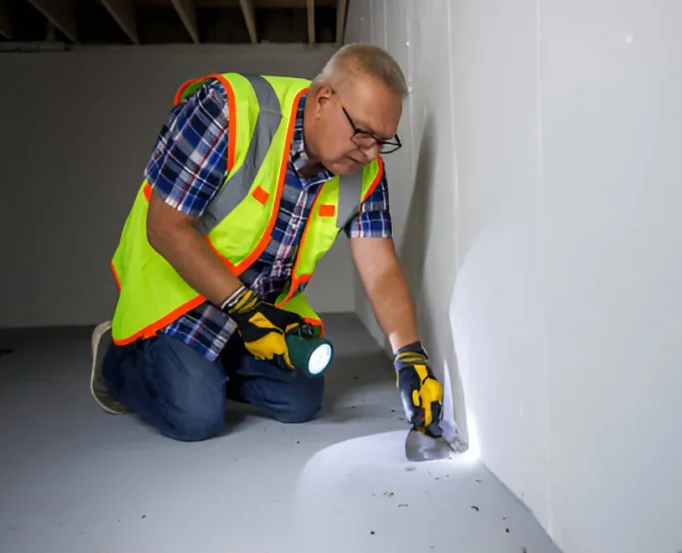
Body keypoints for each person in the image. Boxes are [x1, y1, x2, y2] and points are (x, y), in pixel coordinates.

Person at [89, 44, 443, 442]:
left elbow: (381, 270)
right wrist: (244, 309)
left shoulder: (366, 171)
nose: (371, 152)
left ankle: (207, 368)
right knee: (195, 416)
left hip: (258, 313)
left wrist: (409, 356)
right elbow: (165, 227)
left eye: (383, 140)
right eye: (363, 133)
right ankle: (117, 360)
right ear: (323, 99)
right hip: (178, 300)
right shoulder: (229, 110)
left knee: (301, 401)